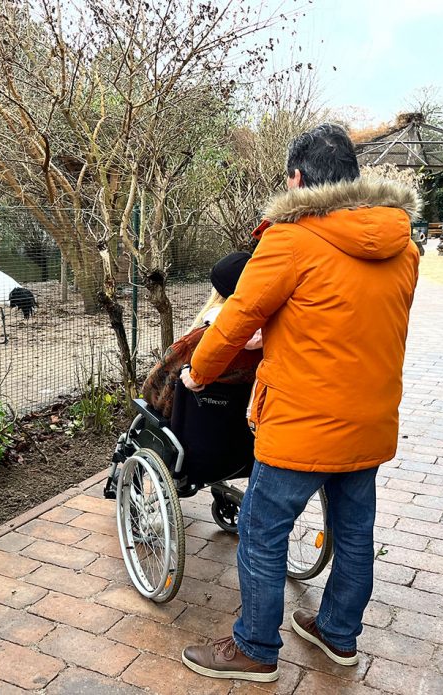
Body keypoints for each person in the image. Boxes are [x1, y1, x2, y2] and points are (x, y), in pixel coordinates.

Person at [179, 123, 420, 683]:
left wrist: (197, 372)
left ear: (296, 179)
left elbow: (235, 320)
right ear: (355, 178)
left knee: (263, 532)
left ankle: (255, 649)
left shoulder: (290, 239)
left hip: (302, 424)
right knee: (356, 536)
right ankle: (338, 634)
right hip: (370, 422)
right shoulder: (403, 246)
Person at [140, 251, 262, 419]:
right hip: (252, 439)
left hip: (194, 438)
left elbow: (153, 394)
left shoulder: (195, 343)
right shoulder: (276, 342)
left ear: (217, 292)